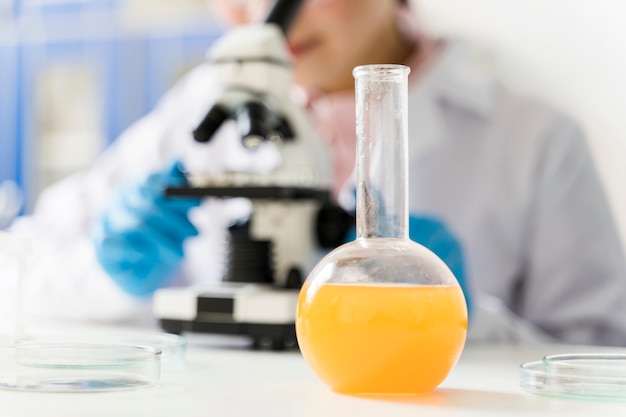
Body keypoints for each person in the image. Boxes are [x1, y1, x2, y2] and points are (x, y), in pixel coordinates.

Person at [9, 0, 626, 346]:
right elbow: (18, 266)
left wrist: (472, 321)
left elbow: (602, 365)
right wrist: (103, 274)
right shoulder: (199, 104)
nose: (263, 15)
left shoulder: (536, 141)